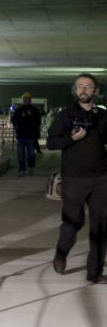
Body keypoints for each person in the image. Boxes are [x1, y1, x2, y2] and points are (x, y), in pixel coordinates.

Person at [46, 73, 107, 284]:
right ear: (75, 90)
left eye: (88, 86)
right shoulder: (66, 115)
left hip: (101, 179)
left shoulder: (102, 116)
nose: (84, 89)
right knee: (73, 223)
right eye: (80, 86)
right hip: (74, 178)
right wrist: (72, 138)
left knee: (100, 226)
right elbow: (52, 143)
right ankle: (61, 254)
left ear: (96, 91)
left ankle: (95, 273)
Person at [11, 92, 42, 175]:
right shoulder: (19, 110)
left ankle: (31, 167)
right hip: (21, 135)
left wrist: (30, 116)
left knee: (31, 154)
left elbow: (38, 121)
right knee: (20, 154)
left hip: (31, 136)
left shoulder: (34, 110)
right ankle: (22, 169)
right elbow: (13, 120)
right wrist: (21, 116)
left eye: (27, 99)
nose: (26, 100)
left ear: (30, 100)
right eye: (24, 99)